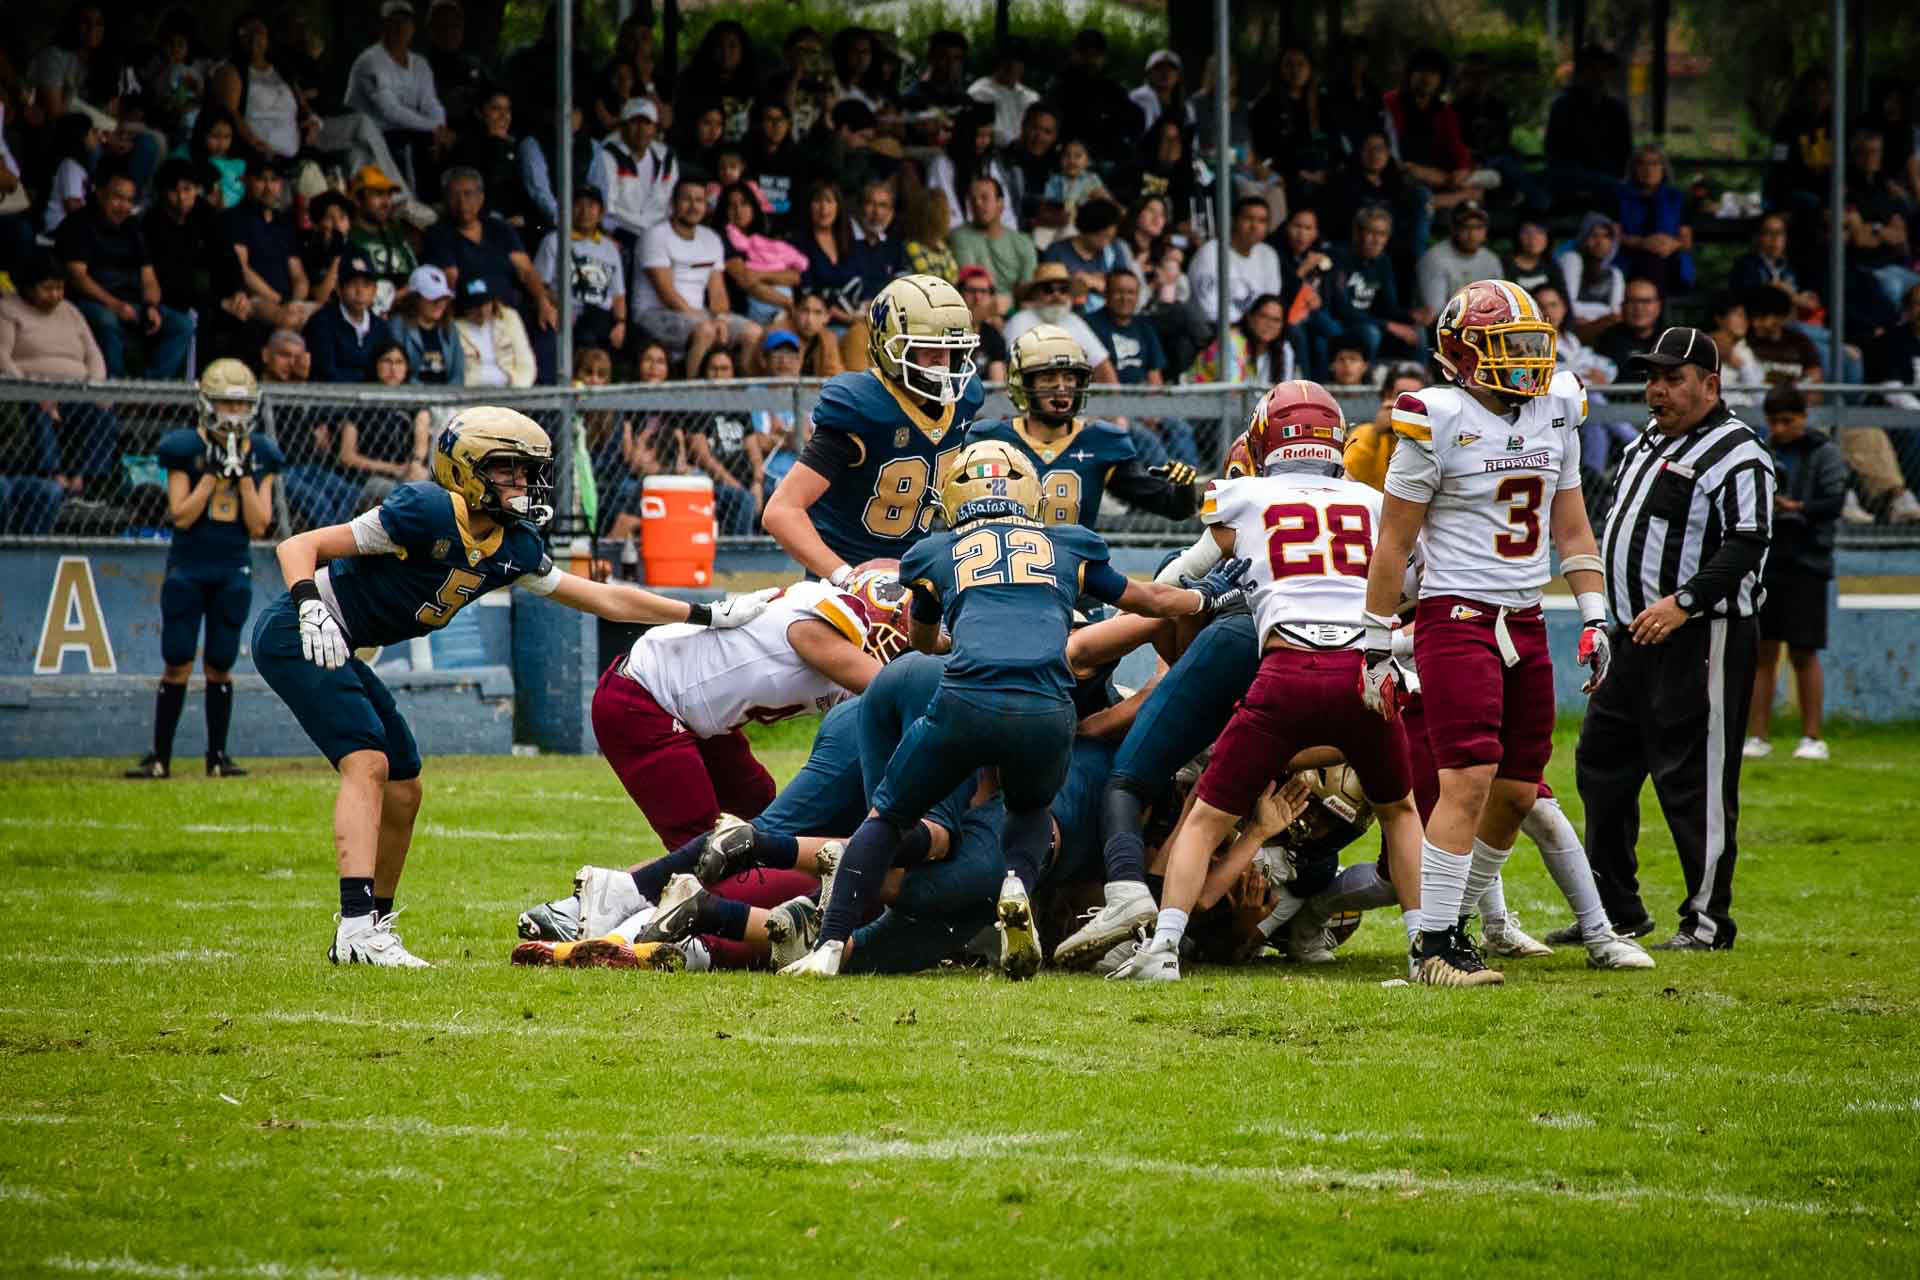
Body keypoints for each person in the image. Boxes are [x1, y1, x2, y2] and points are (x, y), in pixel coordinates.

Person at [254, 406, 776, 966]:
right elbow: (296, 547)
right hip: (298, 630)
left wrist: (703, 613)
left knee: (404, 783)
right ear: (466, 469)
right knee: (368, 762)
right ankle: (355, 928)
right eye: (508, 468)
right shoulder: (425, 510)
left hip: (341, 639)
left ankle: (374, 927)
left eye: (527, 471)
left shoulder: (512, 545)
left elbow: (603, 597)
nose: (522, 482)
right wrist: (309, 606)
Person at [777, 440, 1252, 977]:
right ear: (1030, 493)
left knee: (887, 816)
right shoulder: (1068, 545)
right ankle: (1016, 885)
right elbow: (1152, 601)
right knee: (1031, 811)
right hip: (1048, 708)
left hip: (965, 699)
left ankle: (830, 946)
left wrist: (959, 639)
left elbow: (923, 642)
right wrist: (1212, 597)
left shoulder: (934, 552)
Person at [1113, 383, 1424, 981]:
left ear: (1263, 441)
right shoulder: (1372, 501)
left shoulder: (1243, 497)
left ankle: (1164, 949)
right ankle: (1422, 948)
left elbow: (1178, 578)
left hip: (1285, 670)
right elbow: (1412, 586)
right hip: (1360, 672)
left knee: (1206, 818)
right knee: (1399, 810)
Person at [1361, 279, 1612, 986]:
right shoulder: (1433, 417)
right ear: (1462, 354)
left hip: (1525, 616)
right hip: (1455, 616)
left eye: (1531, 344)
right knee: (1466, 779)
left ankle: (1456, 921)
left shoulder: (1557, 406)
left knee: (1518, 790)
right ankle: (1434, 946)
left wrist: (1595, 614)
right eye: (1508, 346)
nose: (1527, 360)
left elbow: (1571, 526)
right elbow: (1393, 544)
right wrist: (1375, 644)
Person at [1579, 328, 1774, 951]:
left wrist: (1685, 602)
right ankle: (1615, 911)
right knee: (1600, 767)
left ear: (1710, 385)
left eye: (1672, 378)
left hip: (1703, 636)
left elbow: (1748, 542)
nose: (1656, 391)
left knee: (1696, 781)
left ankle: (1708, 922)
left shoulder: (1739, 451)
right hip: (1631, 637)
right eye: (1651, 378)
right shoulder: (1647, 440)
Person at [762, 274, 984, 584]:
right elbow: (781, 511)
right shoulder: (863, 406)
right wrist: (846, 577)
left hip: (917, 577)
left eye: (952, 350)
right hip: (845, 583)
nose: (942, 362)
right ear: (891, 347)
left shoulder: (965, 399)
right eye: (928, 348)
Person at [126, 360, 283, 781]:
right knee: (177, 658)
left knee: (220, 661)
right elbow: (180, 515)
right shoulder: (184, 447)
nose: (235, 412)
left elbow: (260, 524)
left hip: (233, 566)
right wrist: (212, 477)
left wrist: (243, 477)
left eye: (241, 404)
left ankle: (217, 757)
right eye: (227, 403)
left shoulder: (261, 453)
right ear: (208, 404)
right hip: (189, 564)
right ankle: (160, 757)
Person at [967, 325, 1202, 530]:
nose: (1061, 388)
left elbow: (1174, 508)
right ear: (1023, 384)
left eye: (1069, 378)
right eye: (1048, 378)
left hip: (1076, 565)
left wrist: (1184, 487)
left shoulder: (1101, 443)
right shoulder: (991, 440)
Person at [1744, 384, 1848, 762]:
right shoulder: (1761, 451)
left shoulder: (1824, 452)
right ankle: (1757, 735)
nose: (1780, 429)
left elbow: (1833, 501)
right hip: (1768, 561)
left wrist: (1797, 508)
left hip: (1807, 562)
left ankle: (1812, 736)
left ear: (1804, 417)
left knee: (1804, 652)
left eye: (1787, 421)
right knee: (1763, 651)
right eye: (1774, 421)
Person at [0, 251, 116, 507]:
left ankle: (82, 480)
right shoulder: (7, 309)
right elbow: (3, 357)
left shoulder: (71, 311)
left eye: (60, 288)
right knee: (35, 409)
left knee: (103, 408)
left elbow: (93, 353)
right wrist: (33, 391)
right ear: (28, 287)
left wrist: (95, 387)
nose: (55, 295)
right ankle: (54, 476)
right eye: (47, 288)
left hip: (76, 391)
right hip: (30, 391)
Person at [55, 168, 195, 379]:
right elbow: (78, 277)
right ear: (99, 193)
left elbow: (149, 278)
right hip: (92, 302)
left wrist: (151, 306)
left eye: (129, 200)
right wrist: (115, 305)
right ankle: (114, 385)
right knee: (106, 320)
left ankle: (150, 389)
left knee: (182, 324)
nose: (124, 206)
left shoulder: (132, 228)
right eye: (117, 198)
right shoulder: (78, 224)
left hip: (132, 304)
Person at [421, 167, 558, 380]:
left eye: (468, 194)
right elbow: (450, 278)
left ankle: (547, 395)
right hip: (468, 310)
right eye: (454, 195)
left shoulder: (500, 229)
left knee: (546, 324)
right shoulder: (439, 233)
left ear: (481, 198)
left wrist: (543, 301)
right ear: (446, 199)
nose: (462, 202)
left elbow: (526, 270)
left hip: (508, 312)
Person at [630, 176, 758, 375]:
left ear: (706, 206)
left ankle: (744, 393)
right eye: (686, 199)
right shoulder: (655, 236)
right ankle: (694, 394)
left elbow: (718, 293)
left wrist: (721, 318)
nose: (693, 206)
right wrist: (704, 320)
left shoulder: (711, 239)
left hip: (698, 315)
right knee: (706, 330)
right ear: (673, 203)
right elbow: (668, 295)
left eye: (699, 200)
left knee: (753, 333)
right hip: (654, 313)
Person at [344, 0, 452, 194]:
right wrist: (434, 127)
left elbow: (431, 104)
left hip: (404, 135)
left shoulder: (419, 64)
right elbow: (390, 112)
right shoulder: (370, 61)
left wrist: (440, 130)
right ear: (383, 26)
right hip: (367, 138)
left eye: (405, 22)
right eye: (394, 22)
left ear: (413, 28)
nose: (400, 28)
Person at [1384, 47, 1499, 214]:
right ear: (1410, 75)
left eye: (1433, 73)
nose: (1427, 78)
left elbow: (1456, 146)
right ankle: (1446, 199)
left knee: (1492, 179)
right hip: (1405, 170)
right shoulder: (1390, 103)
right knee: (1419, 186)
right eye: (1421, 72)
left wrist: (1462, 169)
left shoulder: (1444, 111)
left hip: (1440, 174)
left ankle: (1438, 200)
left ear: (1441, 79)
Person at [335, 338, 432, 512]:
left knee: (426, 486)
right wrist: (394, 469)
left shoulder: (414, 402)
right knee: (398, 494)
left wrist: (416, 464)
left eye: (399, 362)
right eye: (387, 361)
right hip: (366, 479)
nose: (393, 368)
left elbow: (421, 439)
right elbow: (347, 456)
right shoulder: (359, 402)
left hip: (407, 474)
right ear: (376, 365)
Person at [220, 156, 314, 334]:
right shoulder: (234, 218)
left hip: (289, 301)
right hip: (255, 299)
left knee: (328, 315)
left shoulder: (284, 223)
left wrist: (295, 302)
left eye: (274, 180)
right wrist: (279, 299)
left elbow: (298, 275)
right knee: (288, 319)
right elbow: (242, 270)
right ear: (246, 181)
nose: (269, 187)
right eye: (261, 179)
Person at [534, 183, 626, 356]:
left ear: (601, 213)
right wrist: (556, 306)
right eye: (578, 204)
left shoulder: (610, 248)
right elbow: (540, 285)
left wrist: (621, 323)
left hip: (600, 316)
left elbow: (618, 295)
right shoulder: (553, 241)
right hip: (566, 312)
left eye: (591, 205)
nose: (584, 211)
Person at [1544, 46, 1633, 209]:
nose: (1599, 76)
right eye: (1592, 70)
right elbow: (1556, 151)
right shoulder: (1564, 105)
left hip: (1608, 176)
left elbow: (1625, 150)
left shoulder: (1615, 108)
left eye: (1603, 70)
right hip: (1573, 176)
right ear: (1582, 73)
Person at [1002, 263, 1118, 383]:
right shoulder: (1020, 321)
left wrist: (1115, 395)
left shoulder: (1074, 321)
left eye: (1063, 290)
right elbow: (1011, 371)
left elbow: (1102, 366)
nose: (1056, 295)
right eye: (1048, 290)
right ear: (1035, 294)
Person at [593, 98, 675, 256]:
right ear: (623, 127)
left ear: (655, 128)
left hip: (659, 236)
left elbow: (673, 201)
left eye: (647, 123)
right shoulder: (608, 154)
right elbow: (605, 207)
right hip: (622, 235)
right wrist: (609, 237)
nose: (641, 129)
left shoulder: (666, 157)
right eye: (634, 122)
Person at [947, 176, 1036, 315]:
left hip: (1016, 312)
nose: (978, 203)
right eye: (973, 200)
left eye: (984, 198)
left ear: (1000, 204)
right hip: (974, 311)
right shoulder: (959, 236)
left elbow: (1027, 287)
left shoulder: (1023, 242)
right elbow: (970, 282)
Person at [1187, 196, 1282, 324]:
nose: (1254, 226)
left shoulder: (1268, 254)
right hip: (1215, 327)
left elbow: (1271, 302)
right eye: (1248, 219)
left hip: (1255, 327)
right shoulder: (1211, 252)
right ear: (1233, 221)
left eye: (1261, 221)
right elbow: (1209, 308)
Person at [1616, 144, 1695, 299]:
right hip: (1630, 257)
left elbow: (1686, 241)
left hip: (1670, 257)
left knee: (1656, 261)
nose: (1649, 169)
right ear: (1634, 168)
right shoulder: (1620, 196)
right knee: (1650, 261)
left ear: (1663, 168)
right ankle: (1655, 309)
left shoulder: (1676, 197)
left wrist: (1670, 244)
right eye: (1643, 164)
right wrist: (1643, 243)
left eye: (1654, 163)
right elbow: (1614, 235)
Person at [349, 166, 420, 316]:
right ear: (357, 199)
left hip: (406, 311)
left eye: (389, 195)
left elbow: (415, 274)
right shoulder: (349, 237)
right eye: (378, 195)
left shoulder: (395, 231)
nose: (387, 202)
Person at [1039, 198, 1130, 315]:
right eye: (1102, 236)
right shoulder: (1057, 251)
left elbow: (1125, 287)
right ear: (1087, 229)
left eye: (1110, 237)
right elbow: (1047, 291)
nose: (1106, 242)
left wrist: (1093, 282)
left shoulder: (1114, 248)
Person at [303, 255, 385, 384]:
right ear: (339, 289)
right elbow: (326, 372)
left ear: (374, 291)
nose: (360, 292)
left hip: (373, 395)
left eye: (366, 285)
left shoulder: (381, 327)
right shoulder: (321, 322)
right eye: (352, 284)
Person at [1414, 200, 1501, 317]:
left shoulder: (1491, 261)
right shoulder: (1434, 259)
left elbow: (1499, 305)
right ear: (1454, 228)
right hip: (1443, 324)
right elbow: (1435, 314)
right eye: (1466, 227)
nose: (1472, 234)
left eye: (1478, 227)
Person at [453, 275, 536, 388]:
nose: (482, 311)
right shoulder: (454, 327)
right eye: (476, 305)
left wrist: (518, 391)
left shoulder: (509, 318)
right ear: (464, 306)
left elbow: (526, 363)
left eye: (486, 303)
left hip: (511, 390)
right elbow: (455, 374)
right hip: (471, 393)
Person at [388, 264, 463, 384]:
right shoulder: (398, 325)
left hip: (449, 394)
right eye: (433, 298)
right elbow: (400, 373)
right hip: (411, 394)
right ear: (415, 298)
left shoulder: (450, 326)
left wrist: (451, 393)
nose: (440, 304)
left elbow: (458, 373)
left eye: (444, 298)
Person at [1558, 212, 1625, 331]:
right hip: (1571, 326)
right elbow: (1568, 305)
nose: (1600, 242)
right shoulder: (1572, 259)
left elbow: (1617, 312)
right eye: (1594, 236)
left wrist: (1597, 318)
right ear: (1584, 238)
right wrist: (1606, 312)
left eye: (1606, 236)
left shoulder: (1615, 273)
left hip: (1601, 326)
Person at [967, 39, 1039, 150]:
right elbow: (990, 132)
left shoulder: (1031, 97)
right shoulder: (980, 92)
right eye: (1008, 60)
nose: (1013, 66)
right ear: (999, 62)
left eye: (1019, 62)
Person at [1595, 277, 1665, 370]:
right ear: (1622, 306)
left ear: (1658, 306)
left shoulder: (1672, 339)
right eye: (1632, 301)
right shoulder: (1607, 340)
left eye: (1646, 301)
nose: (1638, 307)